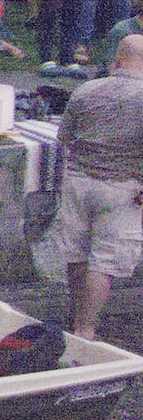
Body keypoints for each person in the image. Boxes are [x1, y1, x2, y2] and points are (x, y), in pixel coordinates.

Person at [42, 36, 143, 340]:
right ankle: (86, 328)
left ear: (118, 60)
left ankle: (75, 316)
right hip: (124, 188)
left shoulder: (86, 90)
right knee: (104, 263)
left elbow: (64, 137)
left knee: (77, 254)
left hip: (79, 181)